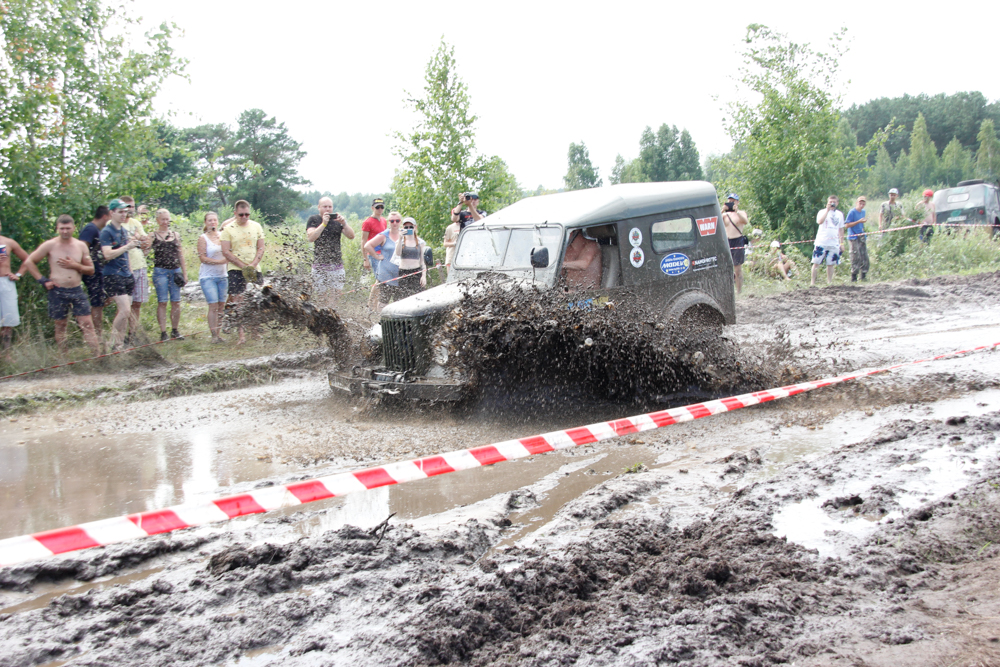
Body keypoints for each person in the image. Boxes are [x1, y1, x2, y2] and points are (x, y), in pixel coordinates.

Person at [20, 215, 101, 356]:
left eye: (68, 228)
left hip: (76, 289)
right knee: (61, 325)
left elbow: (91, 269)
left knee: (87, 323)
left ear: (74, 228)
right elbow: (29, 261)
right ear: (57, 228)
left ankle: (98, 356)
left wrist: (75, 265)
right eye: (62, 228)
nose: (65, 231)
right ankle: (64, 358)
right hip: (57, 290)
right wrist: (43, 280)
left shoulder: (80, 245)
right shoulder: (50, 245)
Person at [220, 200, 265, 344]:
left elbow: (261, 247)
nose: (244, 217)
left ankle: (255, 331)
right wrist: (242, 265)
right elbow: (225, 251)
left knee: (256, 299)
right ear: (235, 214)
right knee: (238, 301)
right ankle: (241, 335)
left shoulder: (256, 226)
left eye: (247, 214)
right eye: (241, 215)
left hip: (254, 267)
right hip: (235, 269)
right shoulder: (228, 229)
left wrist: (253, 264)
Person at [99, 200, 140, 349]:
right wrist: (127, 246)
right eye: (120, 212)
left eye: (125, 212)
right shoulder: (106, 231)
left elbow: (126, 254)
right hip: (112, 274)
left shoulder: (122, 230)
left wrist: (130, 272)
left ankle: (119, 345)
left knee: (126, 313)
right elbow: (107, 254)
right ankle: (110, 342)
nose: (124, 214)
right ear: (112, 213)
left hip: (126, 274)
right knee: (125, 310)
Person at [306, 196, 355, 309]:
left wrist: (344, 223)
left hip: (336, 263)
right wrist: (323, 223)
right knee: (321, 297)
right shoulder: (314, 219)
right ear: (319, 207)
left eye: (330, 207)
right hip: (319, 264)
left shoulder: (337, 221)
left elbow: (351, 236)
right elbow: (311, 237)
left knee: (336, 295)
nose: (327, 209)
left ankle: (332, 312)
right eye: (325, 207)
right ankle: (322, 314)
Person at [150, 208, 188, 341]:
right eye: (163, 219)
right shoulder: (153, 235)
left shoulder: (175, 235)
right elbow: (146, 251)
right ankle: (163, 332)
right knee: (162, 302)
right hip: (160, 271)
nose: (165, 222)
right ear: (157, 220)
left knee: (176, 301)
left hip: (175, 270)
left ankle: (175, 330)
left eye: (167, 219)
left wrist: (184, 273)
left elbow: (180, 254)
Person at [78, 205, 112, 346]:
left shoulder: (98, 230)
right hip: (91, 272)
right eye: (110, 216)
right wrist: (84, 267)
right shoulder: (90, 229)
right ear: (105, 216)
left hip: (99, 271)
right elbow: (80, 247)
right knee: (97, 303)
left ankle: (95, 331)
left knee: (105, 300)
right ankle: (97, 336)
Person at [120, 196, 150, 343]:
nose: (130, 209)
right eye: (127, 206)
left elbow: (145, 241)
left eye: (132, 206)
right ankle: (120, 336)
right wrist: (132, 240)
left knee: (137, 303)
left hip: (140, 265)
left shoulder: (136, 223)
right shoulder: (114, 224)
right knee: (125, 305)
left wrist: (143, 241)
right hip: (124, 268)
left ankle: (132, 334)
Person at [198, 212, 228, 344]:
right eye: (210, 220)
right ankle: (213, 334)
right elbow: (202, 257)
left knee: (221, 305)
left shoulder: (222, 236)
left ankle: (219, 333)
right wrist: (219, 262)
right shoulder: (203, 238)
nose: (212, 222)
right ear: (206, 222)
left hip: (223, 275)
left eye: (214, 220)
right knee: (213, 304)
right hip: (208, 276)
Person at [0, 221, 29, 357]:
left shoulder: (8, 242)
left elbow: (28, 259)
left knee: (8, 320)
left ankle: (6, 354)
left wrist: (18, 274)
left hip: (6, 282)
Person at [364, 212, 402, 311]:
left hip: (400, 273)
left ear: (400, 222)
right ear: (389, 222)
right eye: (392, 221)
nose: (394, 223)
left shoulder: (404, 234)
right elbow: (367, 245)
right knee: (383, 301)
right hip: (386, 273)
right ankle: (380, 318)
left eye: (397, 221)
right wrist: (376, 256)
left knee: (399, 302)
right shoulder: (384, 235)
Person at [811, 195, 845, 287]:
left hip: (834, 243)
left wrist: (841, 243)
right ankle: (812, 283)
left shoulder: (840, 214)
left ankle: (829, 282)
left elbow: (841, 229)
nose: (832, 204)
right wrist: (827, 210)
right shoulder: (822, 212)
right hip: (821, 242)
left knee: (831, 264)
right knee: (816, 262)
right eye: (830, 202)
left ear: (837, 203)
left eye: (834, 202)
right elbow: (819, 221)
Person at [389, 217, 427, 298]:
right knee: (403, 296)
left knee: (420, 296)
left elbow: (422, 261)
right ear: (403, 228)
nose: (408, 229)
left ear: (415, 227)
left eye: (411, 227)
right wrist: (400, 238)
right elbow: (398, 253)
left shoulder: (420, 242)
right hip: (403, 272)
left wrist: (424, 276)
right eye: (406, 227)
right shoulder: (400, 241)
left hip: (416, 272)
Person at [361, 198, 387, 310]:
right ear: (373, 208)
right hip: (373, 253)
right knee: (379, 280)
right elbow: (363, 241)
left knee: (382, 281)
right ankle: (370, 306)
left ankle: (376, 306)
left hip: (383, 254)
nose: (380, 209)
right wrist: (365, 259)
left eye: (382, 207)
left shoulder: (384, 221)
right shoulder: (368, 222)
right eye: (377, 207)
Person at [722, 193, 749, 294]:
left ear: (737, 202)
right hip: (727, 241)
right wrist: (722, 209)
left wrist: (736, 211)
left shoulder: (741, 213)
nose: (731, 203)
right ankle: (728, 290)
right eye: (729, 201)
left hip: (738, 240)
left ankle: (739, 291)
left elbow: (745, 221)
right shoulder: (725, 215)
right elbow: (715, 221)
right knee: (726, 268)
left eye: (733, 201)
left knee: (738, 269)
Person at [845, 196, 869, 282]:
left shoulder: (863, 212)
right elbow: (847, 225)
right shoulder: (852, 212)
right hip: (853, 236)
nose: (861, 205)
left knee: (864, 255)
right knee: (855, 256)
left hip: (861, 235)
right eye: (860, 203)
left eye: (863, 204)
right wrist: (858, 221)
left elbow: (861, 224)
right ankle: (854, 276)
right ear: (856, 203)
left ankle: (863, 276)